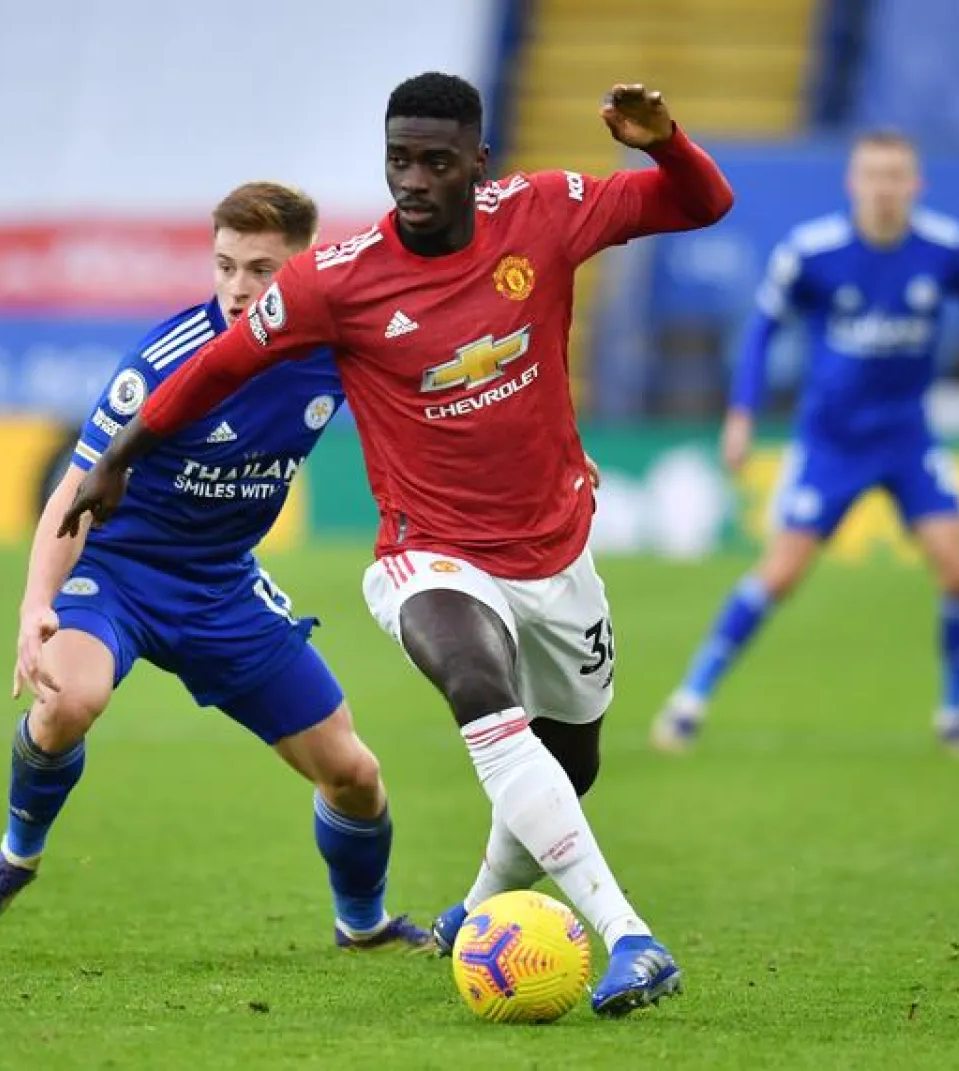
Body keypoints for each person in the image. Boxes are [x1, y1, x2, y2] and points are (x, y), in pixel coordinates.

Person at [61, 73, 734, 1016]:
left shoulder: (543, 212)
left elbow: (704, 203)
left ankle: (481, 906)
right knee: (477, 684)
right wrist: (117, 457)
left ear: (477, 163)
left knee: (570, 762)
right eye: (397, 160)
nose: (412, 180)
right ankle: (630, 935)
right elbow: (216, 367)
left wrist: (665, 143)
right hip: (430, 553)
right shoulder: (337, 281)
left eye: (435, 161)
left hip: (555, 550)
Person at [0, 181, 430, 953]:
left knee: (354, 773)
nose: (238, 287)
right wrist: (37, 603)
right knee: (69, 697)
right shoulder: (166, 359)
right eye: (225, 265)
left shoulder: (336, 349)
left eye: (261, 270)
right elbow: (73, 488)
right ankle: (14, 857)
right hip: (118, 573)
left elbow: (438, 402)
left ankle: (362, 925)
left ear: (304, 267)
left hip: (222, 586)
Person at [650, 130, 959, 759]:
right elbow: (762, 331)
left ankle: (954, 717)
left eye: (896, 176)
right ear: (853, 183)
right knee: (780, 574)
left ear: (916, 184)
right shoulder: (813, 253)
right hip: (831, 443)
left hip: (907, 438)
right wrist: (741, 414)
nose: (884, 188)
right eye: (873, 175)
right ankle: (689, 700)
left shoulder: (947, 249)